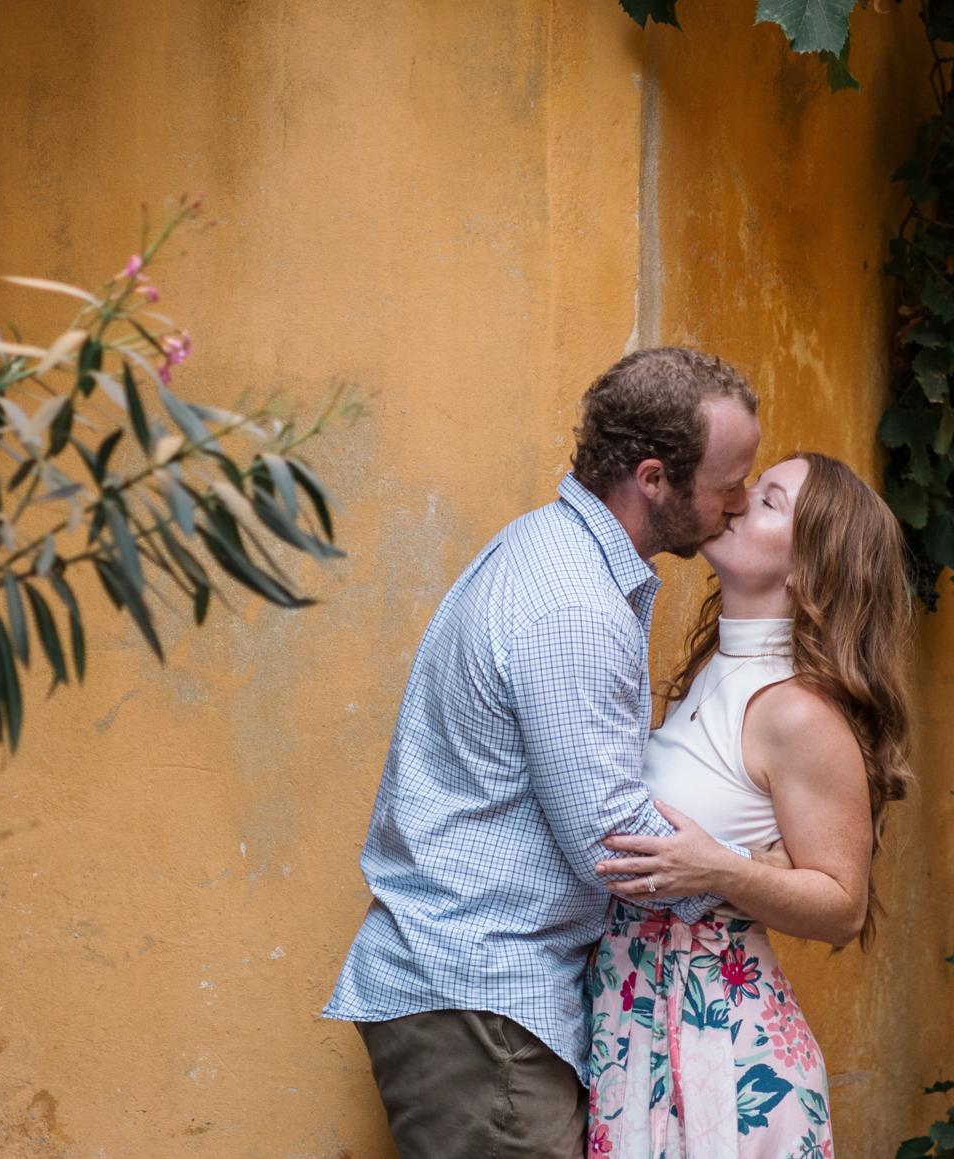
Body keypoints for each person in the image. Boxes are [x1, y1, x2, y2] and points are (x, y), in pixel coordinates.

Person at [324, 347, 769, 1159]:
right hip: (483, 1001)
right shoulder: (574, 605)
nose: (739, 503)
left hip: (480, 998)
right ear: (653, 476)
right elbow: (613, 844)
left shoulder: (553, 553)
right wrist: (758, 875)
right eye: (730, 480)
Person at [585, 452, 913, 1158]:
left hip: (725, 1056)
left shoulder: (797, 714)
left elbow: (843, 906)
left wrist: (720, 869)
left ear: (807, 567)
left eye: (767, 501)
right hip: (641, 1024)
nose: (735, 503)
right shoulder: (714, 669)